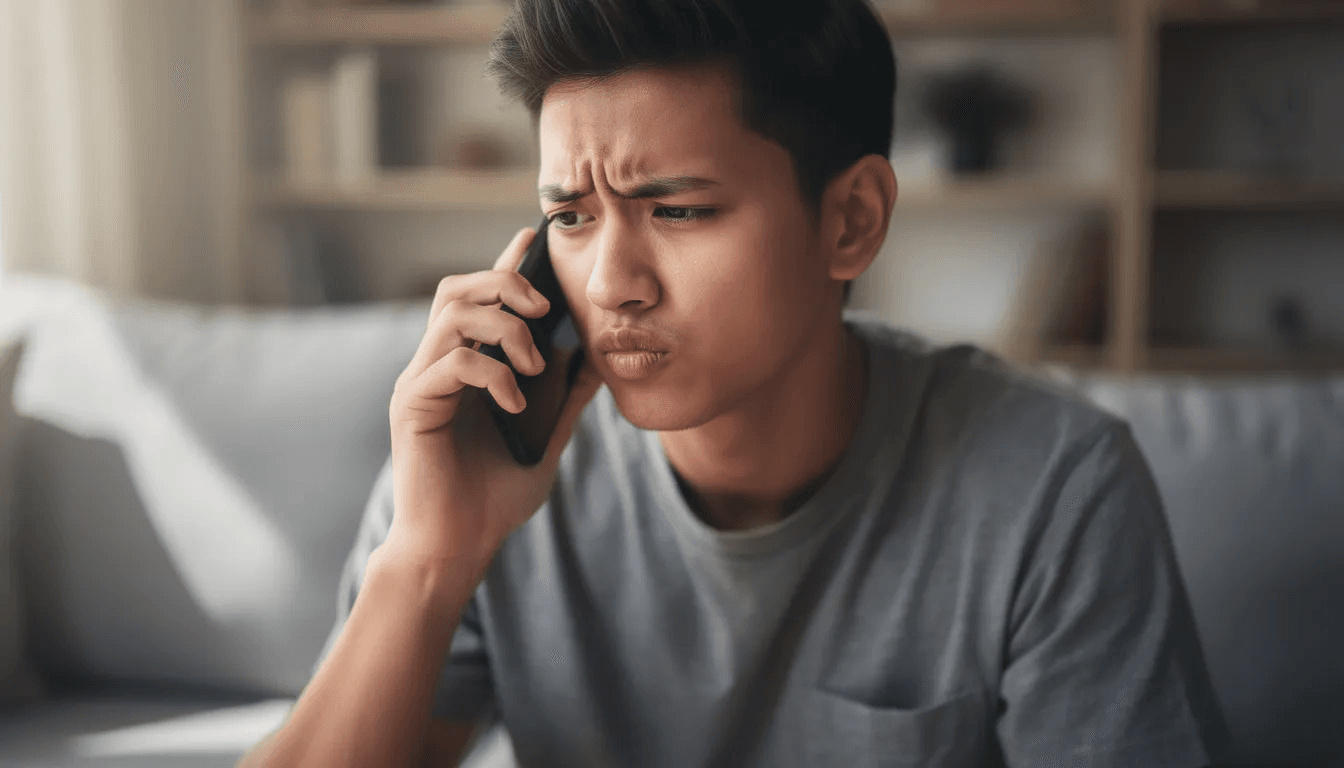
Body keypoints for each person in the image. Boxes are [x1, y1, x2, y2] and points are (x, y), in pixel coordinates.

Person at [240, 0, 1228, 765]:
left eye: (676, 211)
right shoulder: (482, 456)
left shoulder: (1052, 488)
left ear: (851, 221)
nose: (612, 285)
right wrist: (423, 562)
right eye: (571, 219)